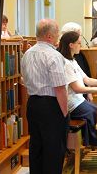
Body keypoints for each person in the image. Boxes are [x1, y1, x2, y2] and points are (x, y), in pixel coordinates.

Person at [21, 19, 68, 174]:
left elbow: (24, 80)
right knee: (54, 149)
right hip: (51, 105)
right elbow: (60, 87)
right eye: (57, 34)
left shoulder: (27, 54)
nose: (58, 37)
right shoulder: (54, 56)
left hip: (33, 103)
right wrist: (65, 113)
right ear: (49, 36)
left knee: (37, 146)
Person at [58, 31, 97, 147]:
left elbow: (87, 80)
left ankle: (95, 141)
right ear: (71, 45)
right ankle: (94, 143)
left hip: (79, 100)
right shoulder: (65, 63)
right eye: (79, 43)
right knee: (94, 112)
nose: (80, 46)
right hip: (72, 103)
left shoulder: (73, 61)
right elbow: (77, 88)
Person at [61, 22, 93, 101]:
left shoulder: (76, 57)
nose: (79, 38)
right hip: (73, 98)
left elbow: (86, 78)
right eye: (78, 42)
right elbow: (76, 88)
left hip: (81, 95)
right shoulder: (63, 58)